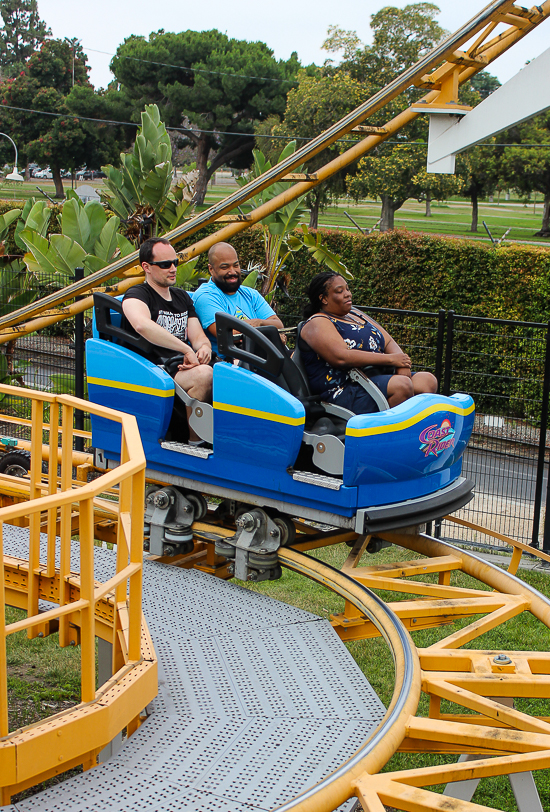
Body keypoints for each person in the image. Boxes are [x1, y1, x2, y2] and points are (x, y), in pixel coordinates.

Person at [300, 271, 437, 414]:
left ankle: (415, 432)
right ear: (323, 298)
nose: (348, 294)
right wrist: (392, 360)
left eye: (347, 289)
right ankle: (386, 433)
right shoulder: (317, 322)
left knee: (427, 381)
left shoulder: (354, 314)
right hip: (344, 388)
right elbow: (341, 357)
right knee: (401, 386)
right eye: (339, 291)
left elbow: (387, 340)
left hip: (373, 377)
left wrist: (403, 365)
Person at [122, 237, 212, 443]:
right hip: (155, 369)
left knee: (232, 371)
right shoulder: (137, 294)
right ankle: (195, 443)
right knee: (204, 376)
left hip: (183, 367)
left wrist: (203, 348)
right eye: (165, 265)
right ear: (146, 267)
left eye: (175, 262)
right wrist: (186, 350)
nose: (173, 268)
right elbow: (141, 325)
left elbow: (197, 335)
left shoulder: (181, 297)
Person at [193, 242, 284, 355]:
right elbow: (230, 335)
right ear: (211, 269)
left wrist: (259, 323)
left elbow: (278, 324)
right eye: (225, 267)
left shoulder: (250, 294)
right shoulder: (205, 296)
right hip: (231, 363)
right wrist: (271, 335)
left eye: (236, 265)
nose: (233, 272)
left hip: (262, 356)